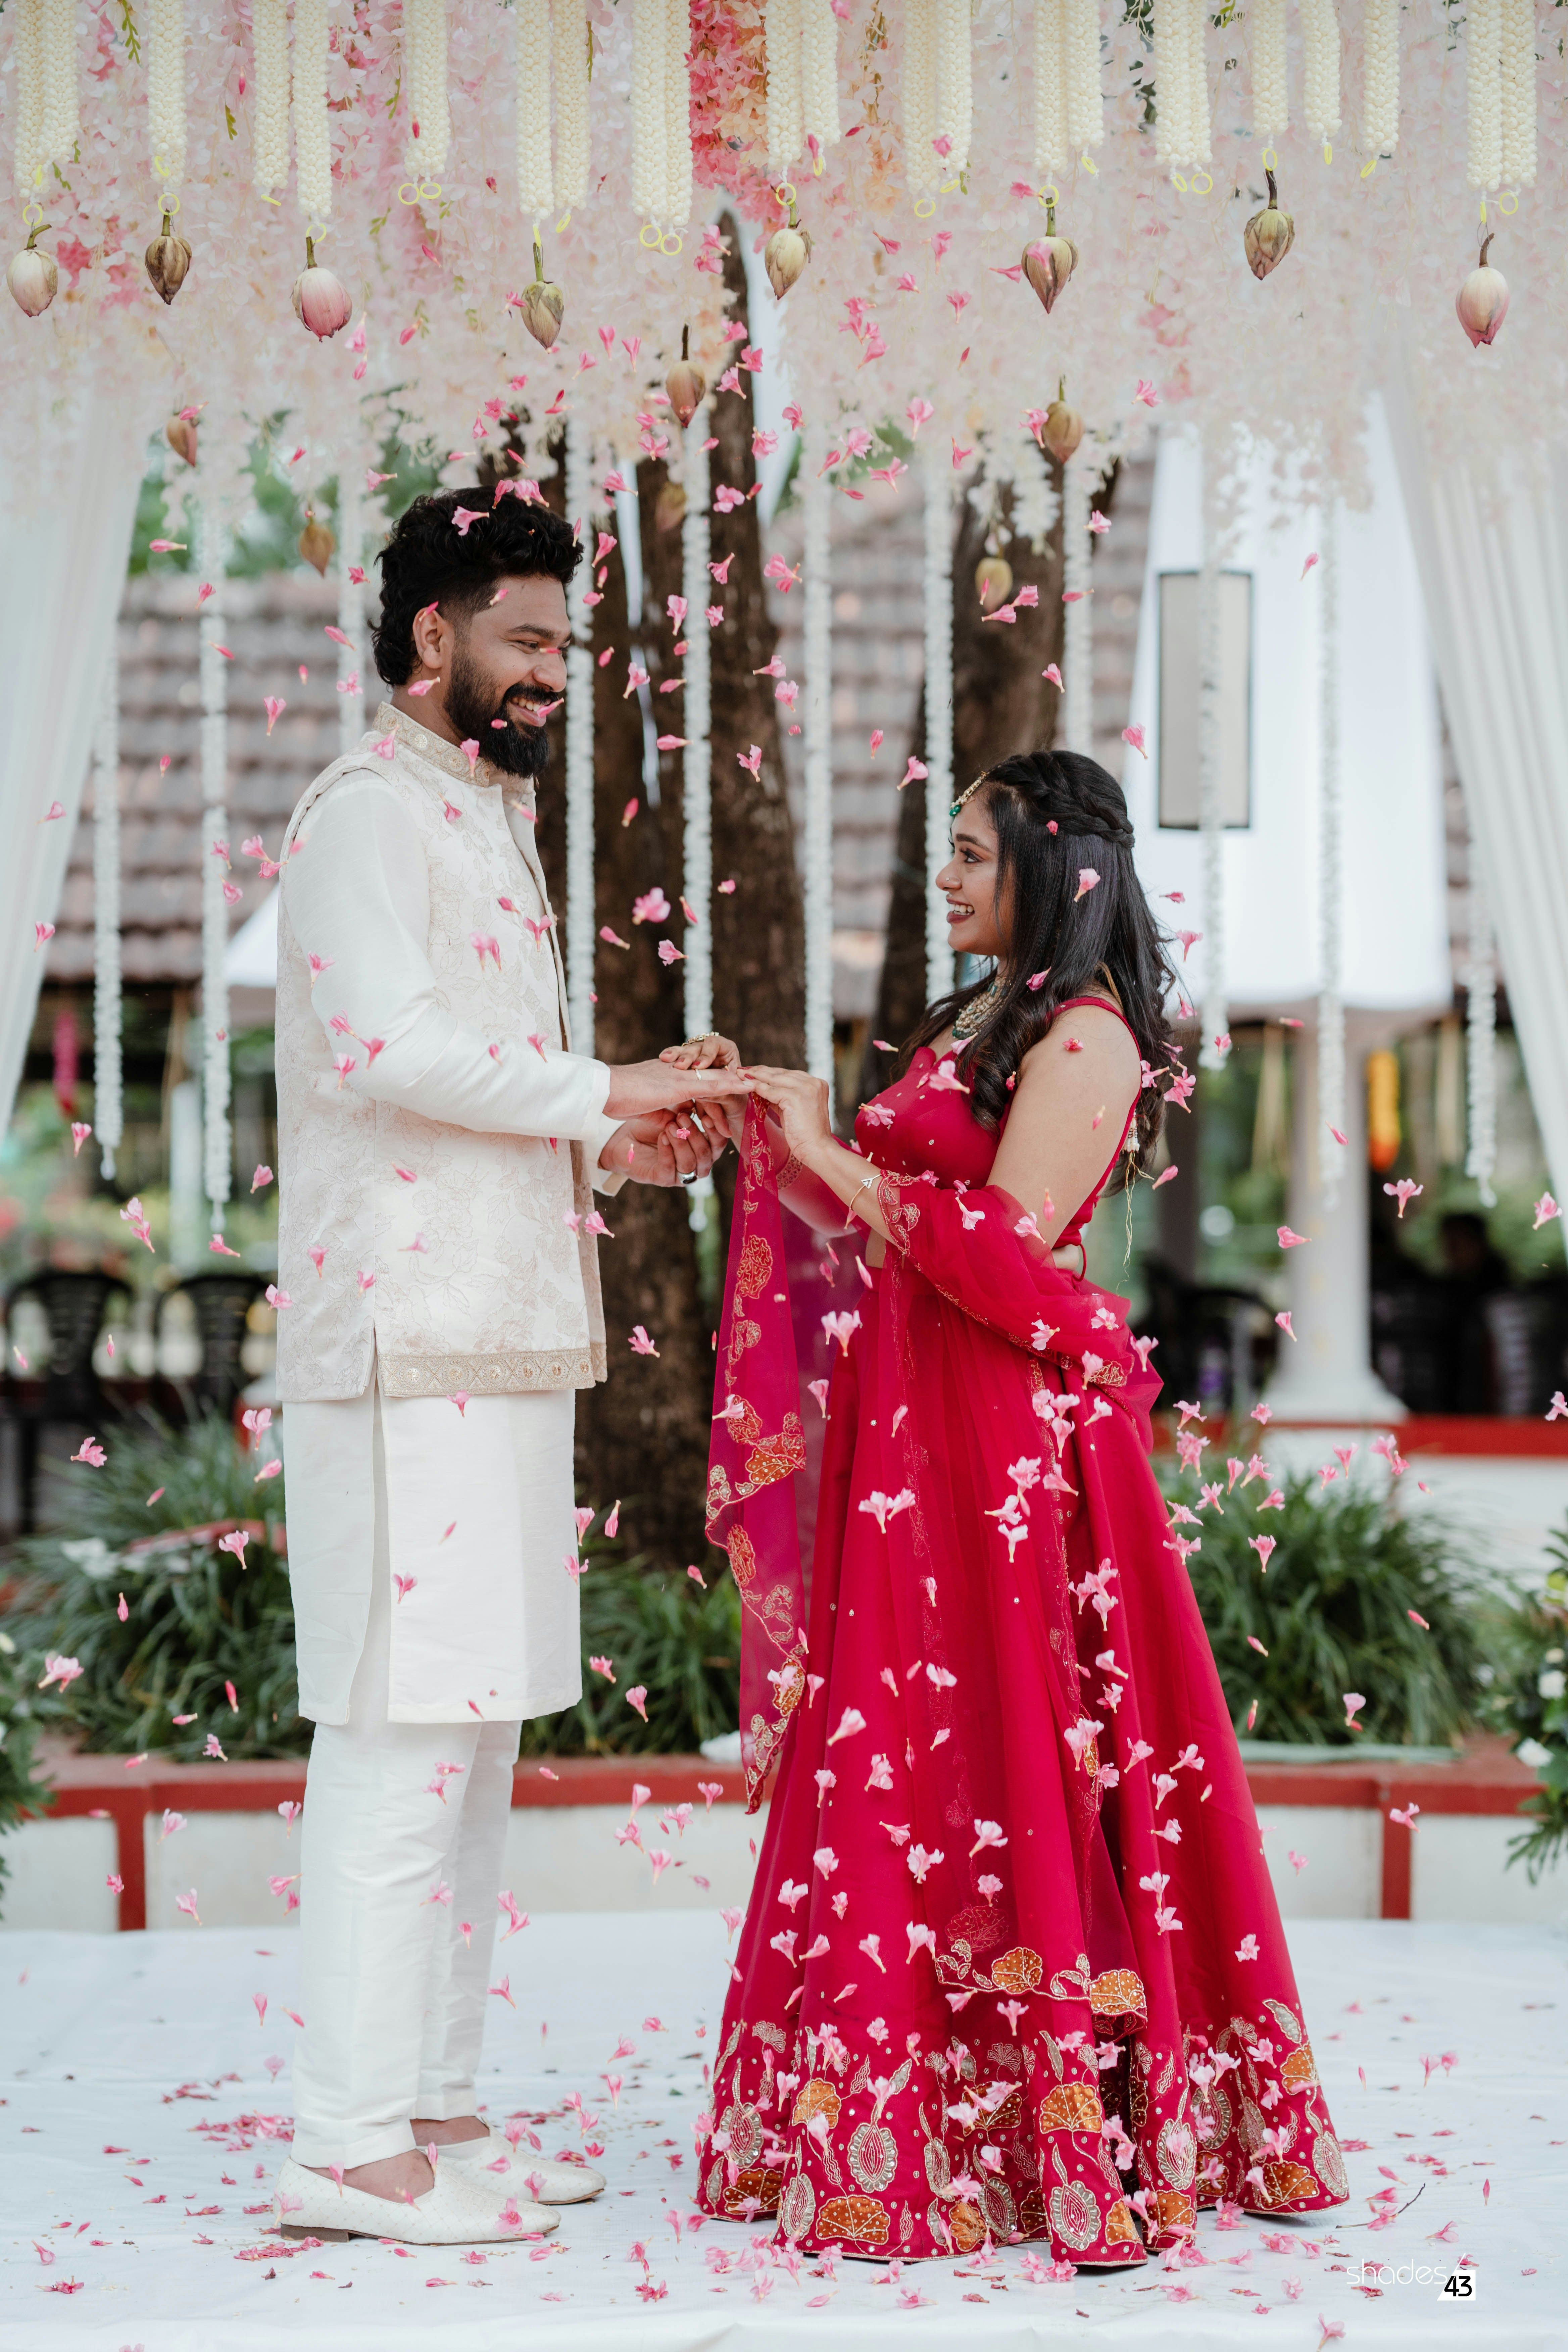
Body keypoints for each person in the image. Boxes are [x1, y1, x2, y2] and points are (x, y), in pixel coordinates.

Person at [682, 749, 1349, 2267]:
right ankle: (898, 2110)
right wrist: (779, 1114)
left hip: (1004, 1455)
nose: (949, 877)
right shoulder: (987, 1018)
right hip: (919, 1437)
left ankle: (1046, 2121)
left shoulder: (1089, 1038)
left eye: (974, 852)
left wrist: (826, 1148)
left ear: (1055, 868)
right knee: (910, 1745)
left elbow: (997, 1252)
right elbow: (890, 1208)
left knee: (1009, 1745)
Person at [268, 484, 741, 2248]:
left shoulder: (486, 817)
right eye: (525, 641)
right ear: (432, 635)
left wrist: (622, 1143)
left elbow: (487, 1082)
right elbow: (387, 1048)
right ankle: (343, 2142)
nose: (554, 672)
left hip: (507, 1328)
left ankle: (436, 2114)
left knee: (473, 1745)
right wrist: (604, 1086)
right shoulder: (362, 814)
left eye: (564, 643)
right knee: (402, 1736)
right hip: (404, 1342)